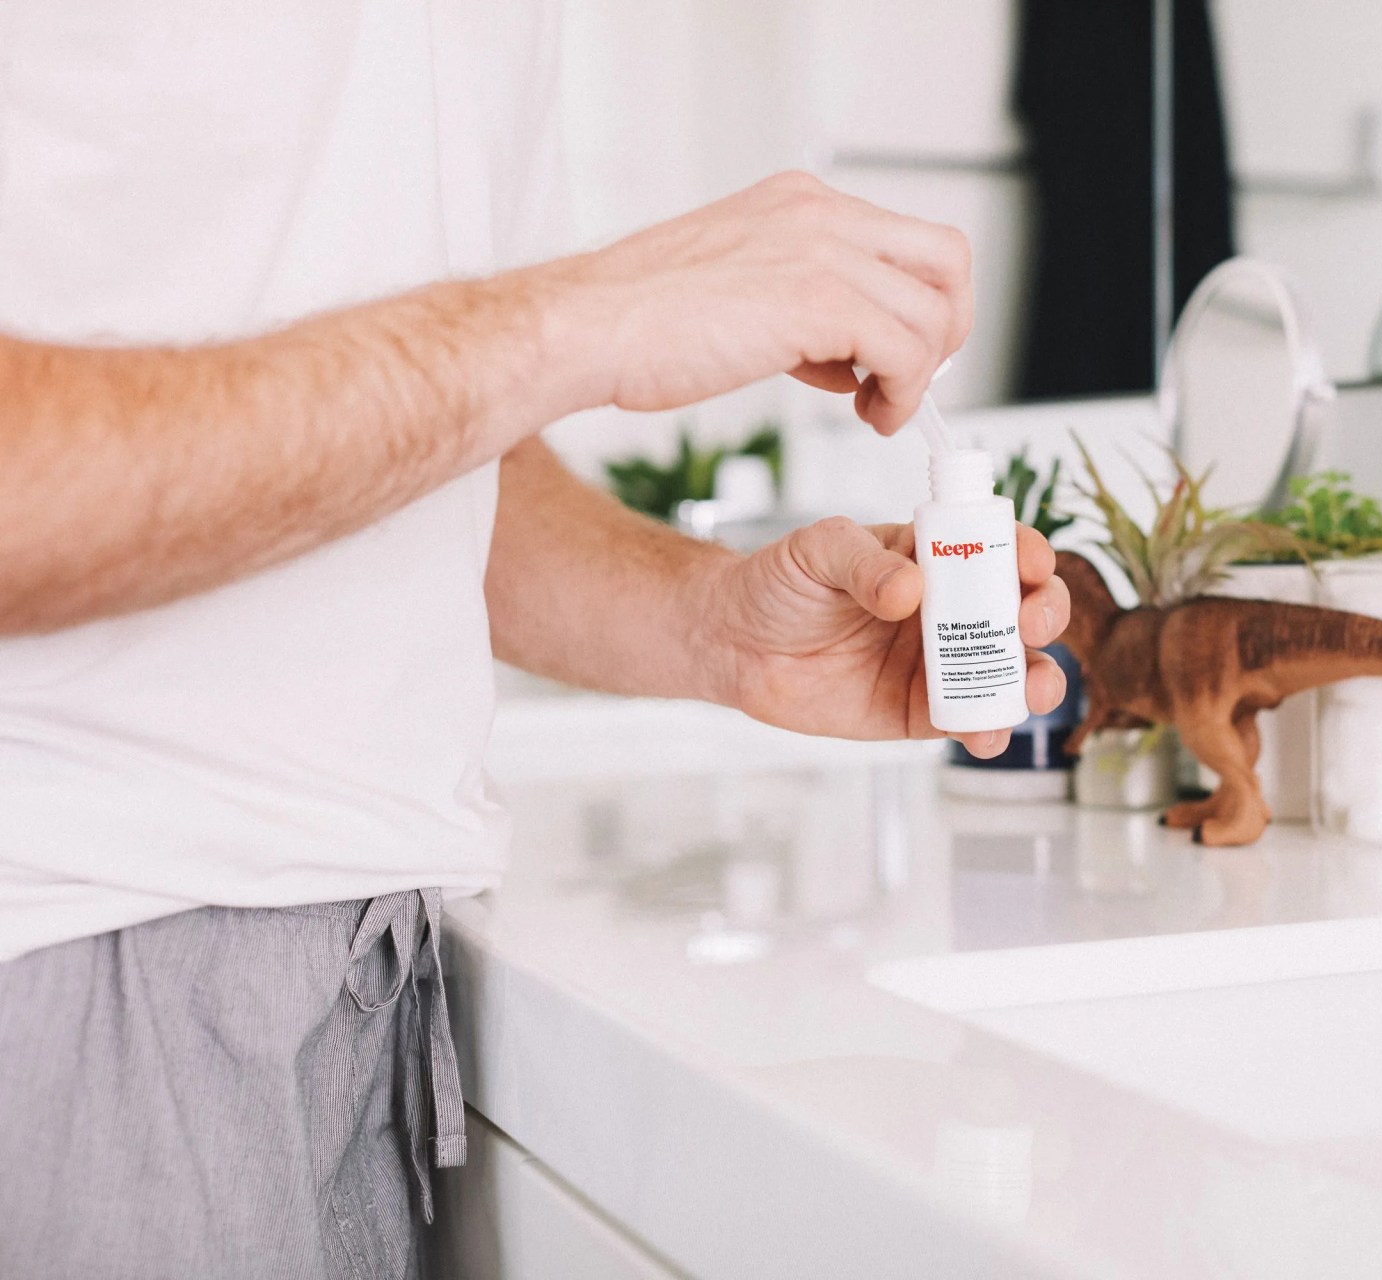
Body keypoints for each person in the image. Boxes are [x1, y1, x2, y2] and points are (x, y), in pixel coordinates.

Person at [0, 3, 1070, 1277]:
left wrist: (715, 625)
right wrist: (585, 316)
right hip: (76, 955)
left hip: (352, 972)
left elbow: (420, 439)